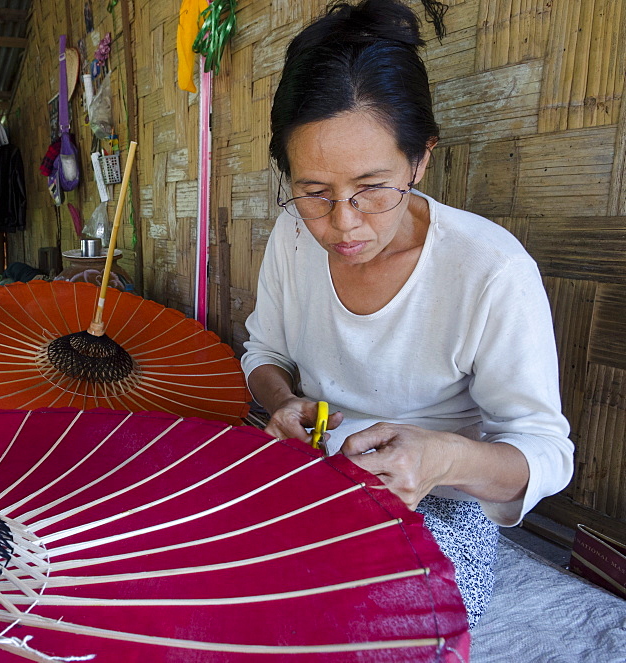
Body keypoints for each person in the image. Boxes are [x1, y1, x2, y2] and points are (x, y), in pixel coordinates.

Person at [242, 0, 573, 627]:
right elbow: (264, 354)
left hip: (436, 501)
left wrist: (441, 458)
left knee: (366, 619)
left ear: (421, 158)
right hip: (309, 465)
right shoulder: (290, 235)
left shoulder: (489, 270)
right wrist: (281, 401)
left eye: (373, 187)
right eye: (314, 193)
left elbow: (547, 455)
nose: (343, 222)